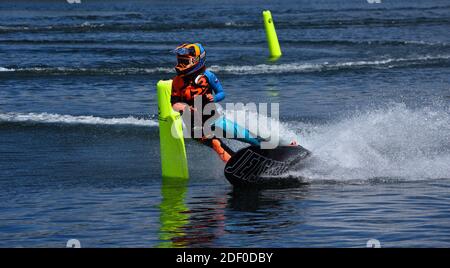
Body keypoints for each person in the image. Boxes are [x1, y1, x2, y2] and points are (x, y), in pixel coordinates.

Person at [170, 43, 235, 163]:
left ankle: (260, 148)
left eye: (184, 61)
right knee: (216, 144)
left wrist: (213, 98)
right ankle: (236, 164)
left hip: (212, 118)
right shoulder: (177, 81)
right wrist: (185, 107)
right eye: (180, 61)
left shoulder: (207, 76)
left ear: (196, 61)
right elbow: (173, 104)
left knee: (232, 136)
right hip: (195, 126)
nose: (181, 65)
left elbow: (221, 93)